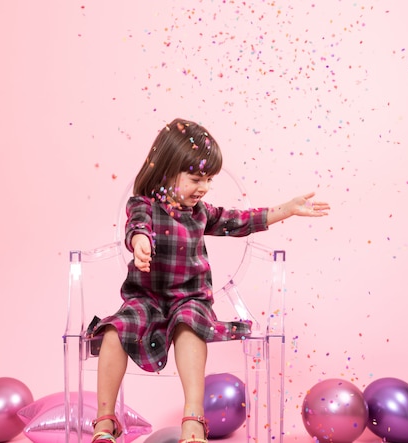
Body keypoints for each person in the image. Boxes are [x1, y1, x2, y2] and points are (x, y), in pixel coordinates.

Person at [89, 118, 330, 443]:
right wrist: (140, 242)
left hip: (189, 300)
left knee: (189, 326)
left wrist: (285, 209)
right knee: (115, 332)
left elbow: (240, 221)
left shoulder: (201, 213)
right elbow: (137, 226)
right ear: (166, 172)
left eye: (208, 180)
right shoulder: (142, 205)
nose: (203, 187)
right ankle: (105, 422)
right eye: (195, 178)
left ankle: (193, 419)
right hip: (145, 300)